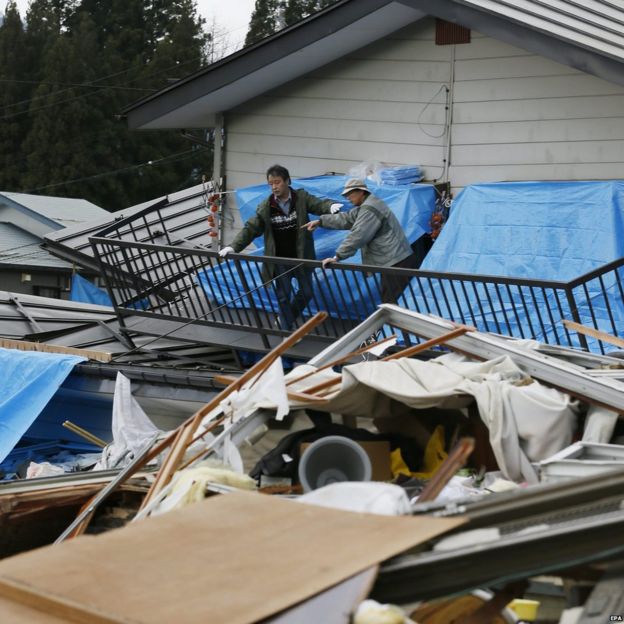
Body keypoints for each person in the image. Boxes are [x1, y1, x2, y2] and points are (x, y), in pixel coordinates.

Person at [219, 164, 342, 329]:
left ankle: (286, 318)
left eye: (277, 182)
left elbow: (318, 204)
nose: (274, 187)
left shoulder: (301, 198)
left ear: (287, 181)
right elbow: (251, 228)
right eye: (271, 184)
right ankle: (286, 329)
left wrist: (330, 206)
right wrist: (233, 247)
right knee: (283, 296)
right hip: (279, 260)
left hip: (301, 257)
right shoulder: (266, 207)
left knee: (306, 293)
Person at [304, 177, 418, 304]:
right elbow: (346, 218)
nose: (347, 198)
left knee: (392, 303)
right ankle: (393, 323)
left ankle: (393, 324)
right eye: (346, 195)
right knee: (394, 302)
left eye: (350, 194)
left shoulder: (370, 209)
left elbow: (359, 235)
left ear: (361, 192)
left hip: (397, 261)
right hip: (396, 259)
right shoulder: (367, 205)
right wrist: (320, 221)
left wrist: (337, 257)